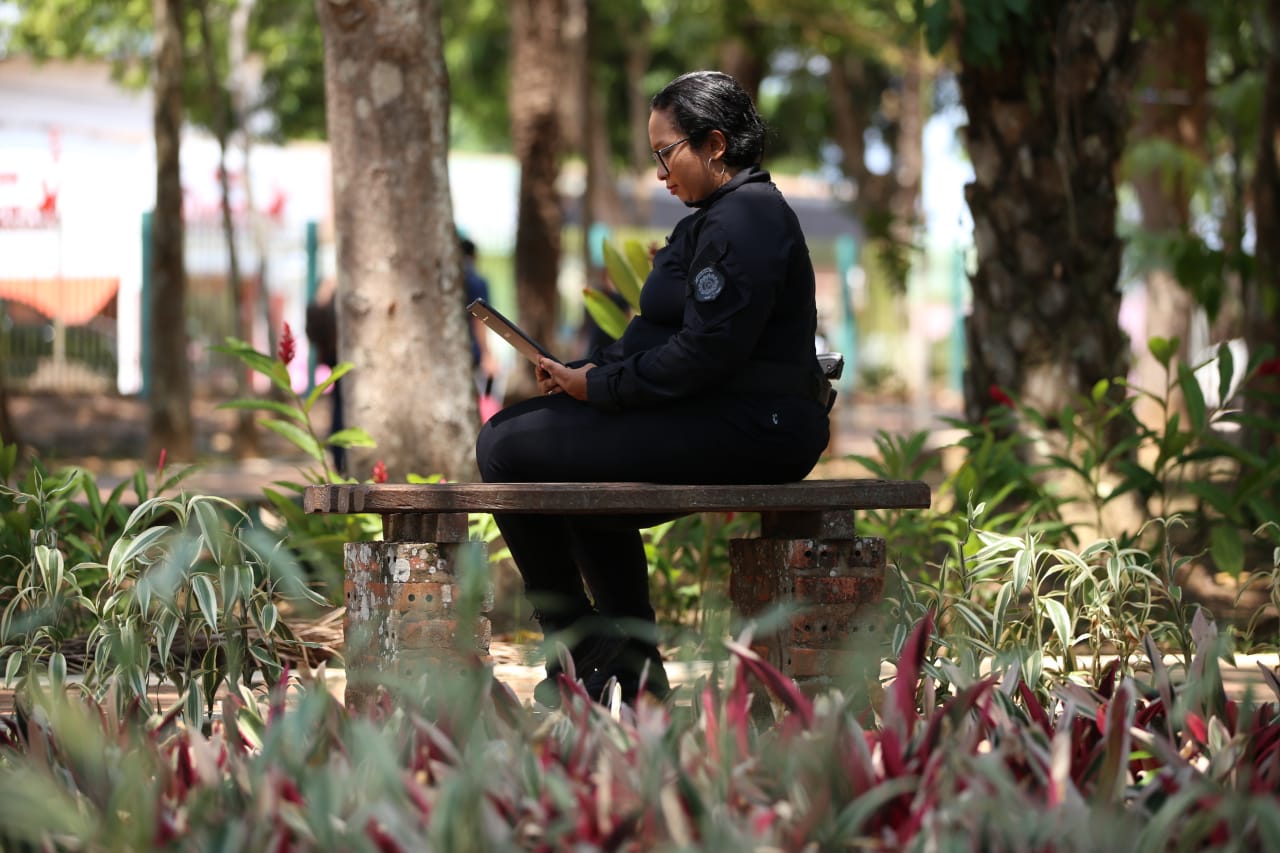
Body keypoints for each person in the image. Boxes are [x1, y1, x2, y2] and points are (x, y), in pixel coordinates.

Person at [475, 70, 832, 706]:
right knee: (545, 448)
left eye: (666, 152)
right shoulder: (708, 218)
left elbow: (706, 354)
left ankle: (586, 649)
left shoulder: (747, 220)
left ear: (715, 144)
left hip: (757, 423)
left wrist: (604, 389)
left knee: (506, 448)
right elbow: (651, 336)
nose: (659, 171)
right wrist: (582, 375)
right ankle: (632, 670)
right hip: (712, 409)